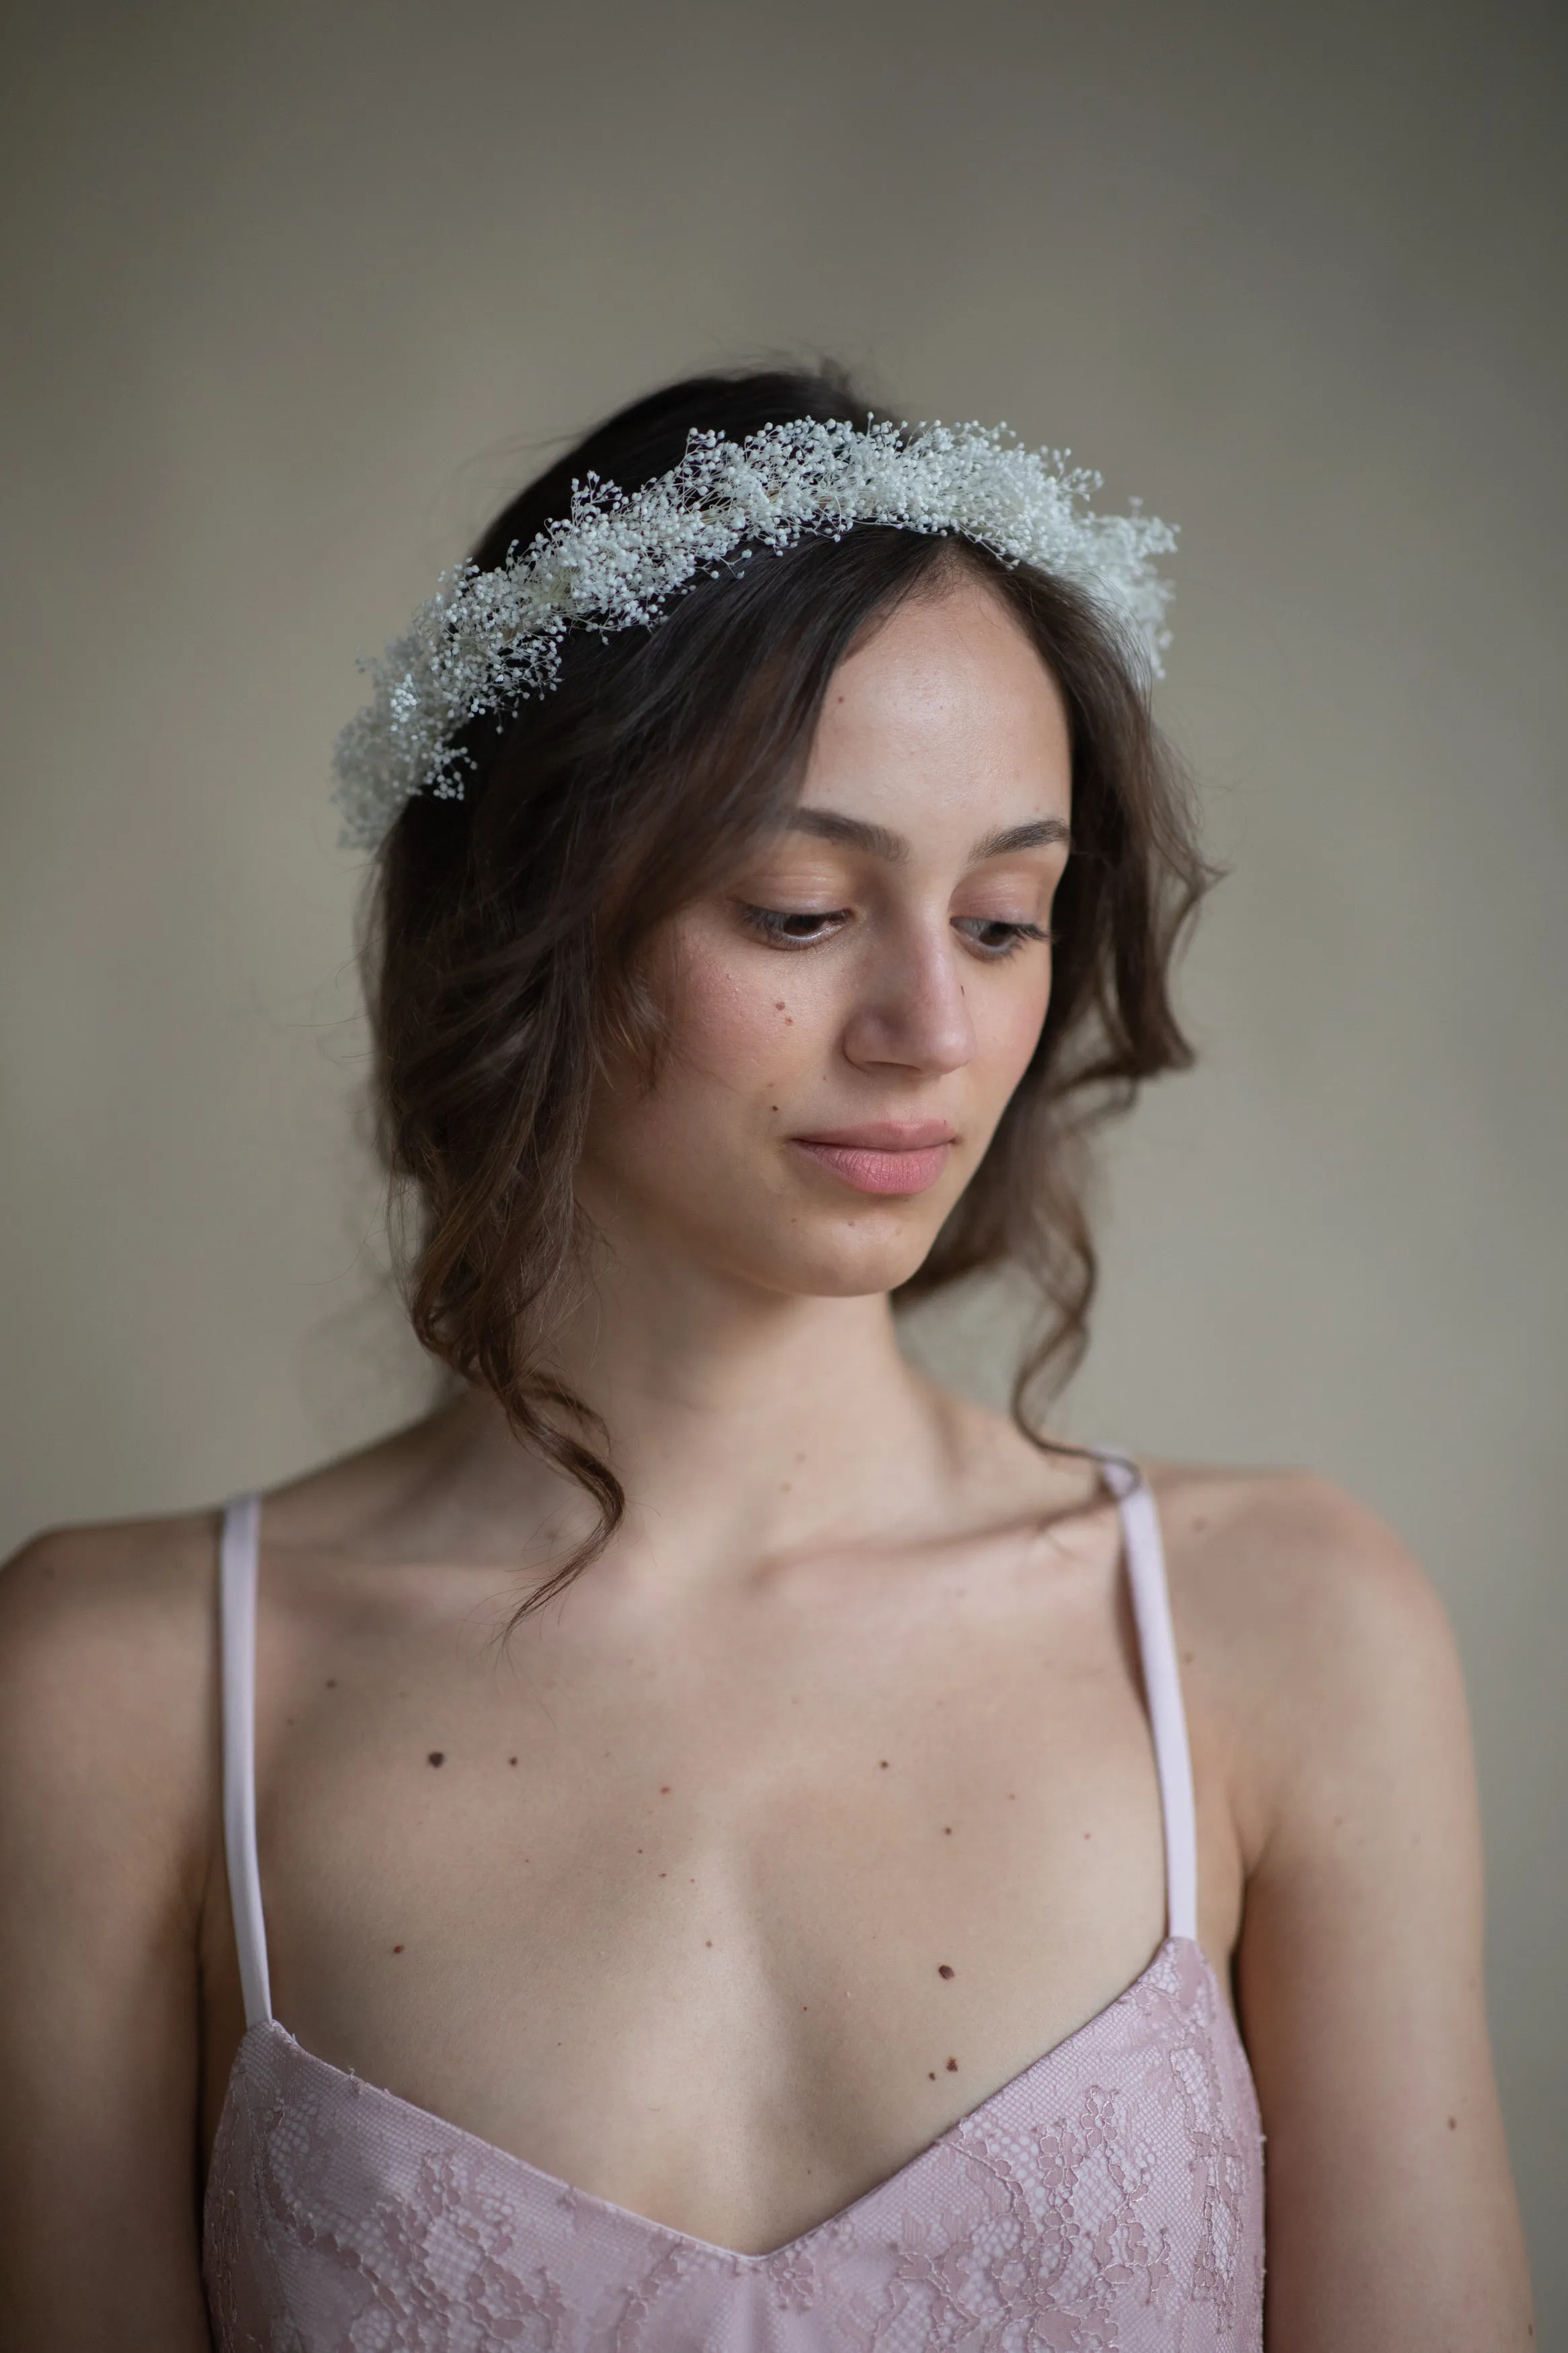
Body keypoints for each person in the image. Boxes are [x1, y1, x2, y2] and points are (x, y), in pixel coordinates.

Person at [0, 368, 1532, 2351]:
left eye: (1001, 918)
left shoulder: (1283, 1631)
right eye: (800, 907)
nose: (928, 1025)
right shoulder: (110, 1690)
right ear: (526, 917)